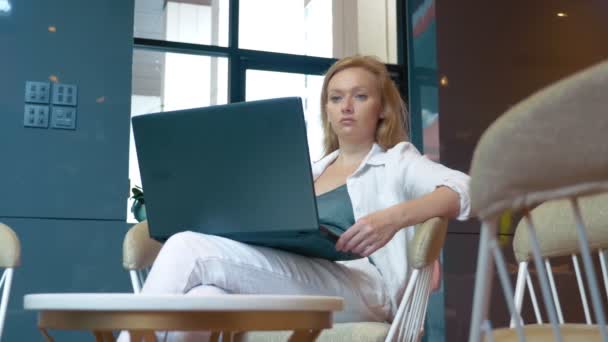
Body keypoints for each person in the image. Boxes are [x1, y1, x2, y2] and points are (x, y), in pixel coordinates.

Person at [119, 55, 470, 341]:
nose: (346, 106)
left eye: (360, 96)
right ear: (328, 111)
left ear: (382, 108)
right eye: (336, 98)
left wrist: (393, 218)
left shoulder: (397, 161)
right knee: (203, 300)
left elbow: (466, 189)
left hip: (365, 285)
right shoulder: (310, 171)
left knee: (186, 247)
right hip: (298, 271)